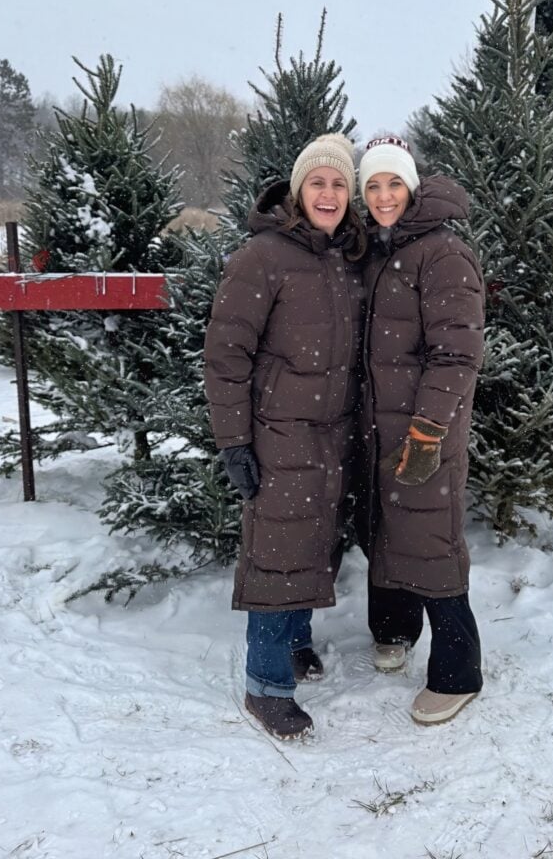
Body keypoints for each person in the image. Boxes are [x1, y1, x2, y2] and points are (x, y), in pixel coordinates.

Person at [204, 133, 365, 741]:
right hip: (278, 432)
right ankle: (266, 687)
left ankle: (297, 642)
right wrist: (233, 441)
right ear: (299, 190)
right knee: (276, 554)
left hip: (335, 433)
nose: (329, 193)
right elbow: (225, 356)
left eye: (339, 183)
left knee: (314, 541)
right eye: (318, 182)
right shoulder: (261, 258)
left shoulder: (347, 257)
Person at [356, 134, 486, 725]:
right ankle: (395, 628)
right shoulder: (376, 250)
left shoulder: (443, 253)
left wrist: (429, 429)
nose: (384, 195)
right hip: (374, 428)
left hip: (422, 431)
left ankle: (458, 671)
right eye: (373, 185)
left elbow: (457, 354)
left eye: (393, 183)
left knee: (430, 540)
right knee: (384, 528)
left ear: (412, 187)